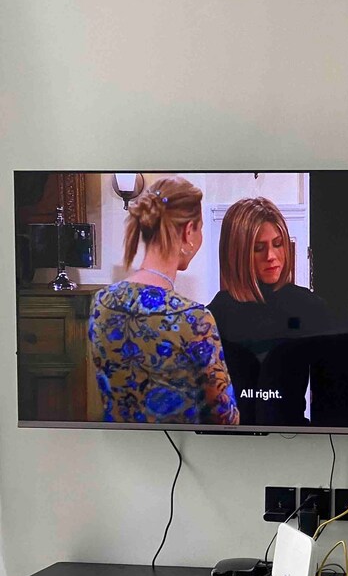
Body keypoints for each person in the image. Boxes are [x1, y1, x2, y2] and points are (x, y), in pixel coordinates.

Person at [88, 176, 239, 426]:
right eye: (200, 229)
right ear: (189, 231)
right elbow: (226, 417)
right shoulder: (194, 319)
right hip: (184, 455)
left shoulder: (101, 303)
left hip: (119, 452)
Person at [208, 197, 331, 427]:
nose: (271, 257)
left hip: (294, 442)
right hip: (228, 444)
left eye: (278, 244)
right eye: (259, 248)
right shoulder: (213, 316)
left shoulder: (309, 308)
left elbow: (331, 397)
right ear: (237, 253)